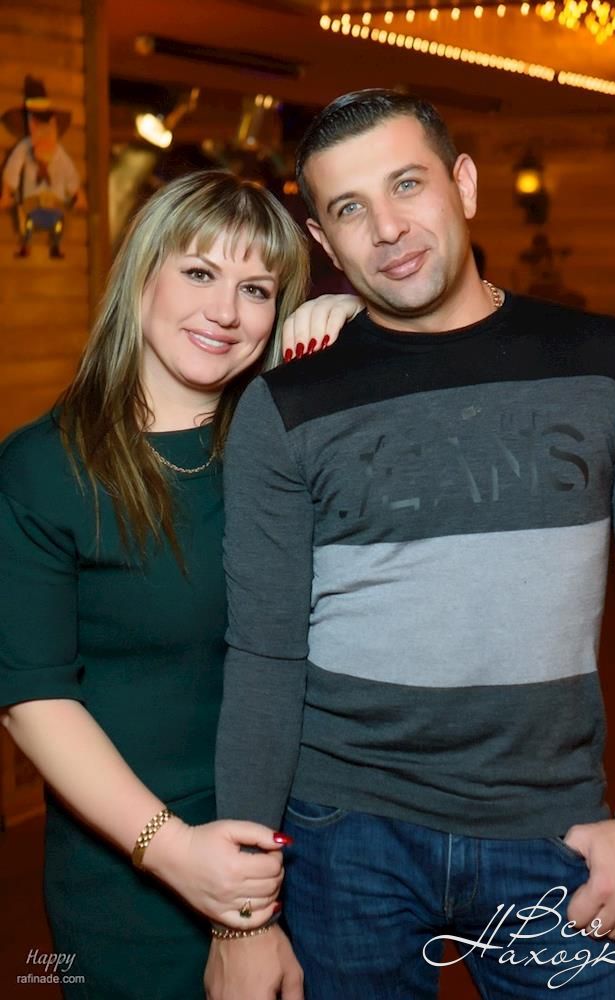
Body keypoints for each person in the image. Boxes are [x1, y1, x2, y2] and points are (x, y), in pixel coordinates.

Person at [211, 91, 615, 999]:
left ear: (464, 184)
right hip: (344, 836)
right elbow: (264, 651)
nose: (387, 228)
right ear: (325, 241)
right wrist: (244, 916)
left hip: (553, 831)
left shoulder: (612, 361)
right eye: (351, 209)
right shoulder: (286, 403)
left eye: (407, 184)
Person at [0, 168, 358, 999]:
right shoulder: (43, 470)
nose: (225, 311)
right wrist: (175, 852)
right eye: (199, 272)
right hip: (137, 862)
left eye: (256, 289)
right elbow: (31, 697)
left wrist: (368, 326)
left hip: (315, 845)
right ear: (142, 275)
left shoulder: (290, 449)